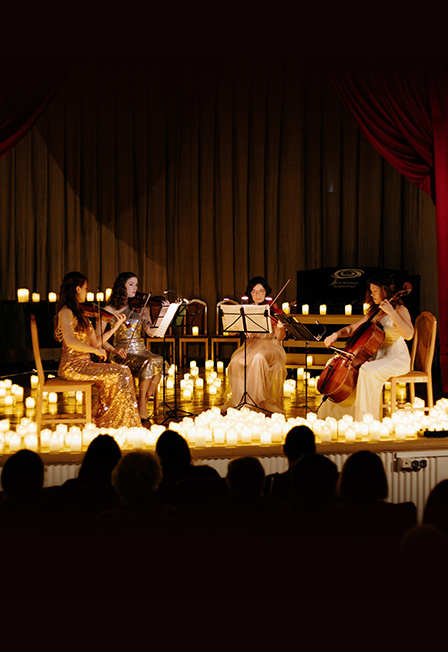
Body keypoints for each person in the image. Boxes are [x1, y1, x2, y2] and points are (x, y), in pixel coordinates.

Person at [317, 273, 414, 421]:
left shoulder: (401, 310)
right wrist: (335, 335)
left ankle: (367, 418)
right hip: (376, 355)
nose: (371, 294)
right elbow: (352, 328)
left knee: (367, 370)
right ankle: (338, 417)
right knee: (332, 364)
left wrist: (392, 312)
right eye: (371, 291)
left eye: (375, 291)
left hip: (396, 357)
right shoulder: (374, 312)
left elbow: (408, 334)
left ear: (385, 290)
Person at [55, 271, 141, 428]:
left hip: (85, 364)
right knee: (121, 372)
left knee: (121, 371)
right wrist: (95, 351)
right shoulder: (66, 311)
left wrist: (114, 327)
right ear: (77, 289)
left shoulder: (81, 313)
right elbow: (70, 341)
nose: (87, 292)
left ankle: (113, 420)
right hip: (72, 366)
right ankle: (115, 421)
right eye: (86, 289)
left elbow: (96, 342)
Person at [98, 272, 166, 421]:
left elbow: (151, 333)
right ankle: (141, 406)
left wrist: (163, 313)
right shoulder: (109, 309)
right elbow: (99, 339)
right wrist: (114, 350)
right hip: (121, 352)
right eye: (131, 284)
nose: (135, 288)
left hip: (141, 351)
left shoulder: (142, 307)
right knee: (150, 362)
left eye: (136, 284)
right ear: (122, 286)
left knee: (159, 361)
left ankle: (141, 403)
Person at [224, 276, 286, 413]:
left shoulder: (273, 310)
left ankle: (257, 402)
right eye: (254, 292)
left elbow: (280, 338)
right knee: (235, 361)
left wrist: (281, 328)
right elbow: (234, 330)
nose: (258, 295)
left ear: (266, 291)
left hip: (270, 347)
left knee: (258, 359)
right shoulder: (246, 310)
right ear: (250, 293)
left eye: (261, 291)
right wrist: (244, 330)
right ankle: (239, 401)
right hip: (251, 346)